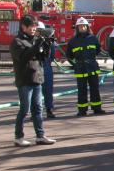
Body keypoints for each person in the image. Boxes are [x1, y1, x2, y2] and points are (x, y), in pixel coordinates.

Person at [10, 15, 56, 146]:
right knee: (25, 109)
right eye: (31, 26)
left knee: (38, 109)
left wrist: (47, 45)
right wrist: (37, 45)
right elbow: (24, 57)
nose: (33, 29)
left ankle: (40, 136)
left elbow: (42, 57)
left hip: (37, 79)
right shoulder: (17, 42)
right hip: (25, 80)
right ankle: (18, 137)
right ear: (23, 27)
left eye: (35, 26)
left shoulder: (35, 39)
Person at [66, 17, 105, 116]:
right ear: (77, 27)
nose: (82, 28)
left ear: (87, 27)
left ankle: (97, 108)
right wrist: (75, 65)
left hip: (92, 67)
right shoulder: (72, 41)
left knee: (94, 88)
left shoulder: (93, 38)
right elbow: (69, 56)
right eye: (80, 26)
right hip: (80, 68)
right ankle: (82, 110)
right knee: (81, 90)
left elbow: (97, 50)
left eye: (84, 26)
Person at [39, 22, 56, 118]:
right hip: (38, 68)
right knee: (36, 92)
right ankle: (37, 111)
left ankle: (49, 110)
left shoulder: (49, 42)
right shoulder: (32, 41)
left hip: (46, 68)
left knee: (48, 91)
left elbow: (52, 56)